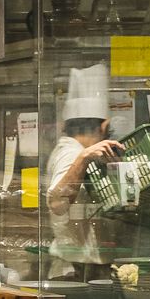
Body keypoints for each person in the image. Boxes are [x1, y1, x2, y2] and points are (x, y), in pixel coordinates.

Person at [44, 63, 122, 268]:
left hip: (77, 263)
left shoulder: (67, 148)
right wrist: (84, 157)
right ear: (104, 126)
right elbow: (57, 204)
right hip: (75, 267)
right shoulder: (73, 153)